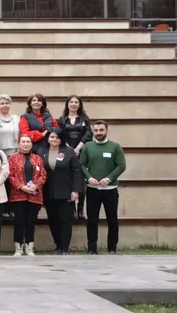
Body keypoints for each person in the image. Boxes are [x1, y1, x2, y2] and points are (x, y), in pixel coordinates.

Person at [81, 120, 126, 255]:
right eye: (96, 130)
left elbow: (121, 165)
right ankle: (91, 248)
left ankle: (112, 248)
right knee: (92, 219)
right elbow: (81, 165)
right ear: (93, 131)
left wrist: (109, 178)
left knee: (112, 219)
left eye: (101, 130)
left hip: (110, 190)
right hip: (92, 189)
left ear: (106, 130)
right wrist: (88, 177)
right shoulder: (88, 147)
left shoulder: (115, 147)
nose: (98, 133)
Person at [40, 129, 82, 255]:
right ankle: (58, 245)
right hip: (48, 192)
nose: (54, 139)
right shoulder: (42, 151)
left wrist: (75, 190)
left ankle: (65, 247)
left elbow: (76, 172)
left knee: (65, 220)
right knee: (53, 220)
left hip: (66, 192)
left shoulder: (69, 152)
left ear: (61, 139)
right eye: (52, 137)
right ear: (48, 138)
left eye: (57, 137)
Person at [7, 135, 46, 256]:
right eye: (23, 142)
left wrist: (35, 186)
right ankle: (18, 248)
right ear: (19, 144)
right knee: (19, 222)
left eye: (28, 142)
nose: (25, 144)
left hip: (34, 195)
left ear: (31, 144)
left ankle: (30, 247)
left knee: (31, 222)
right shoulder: (13, 158)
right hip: (18, 195)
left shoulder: (37, 159)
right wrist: (21, 187)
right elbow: (10, 175)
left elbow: (43, 175)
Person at [58, 95, 92, 220]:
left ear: (79, 105)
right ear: (67, 104)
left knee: (82, 181)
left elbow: (89, 134)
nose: (73, 104)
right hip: (67, 152)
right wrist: (69, 149)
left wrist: (78, 148)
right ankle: (71, 208)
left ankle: (81, 209)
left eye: (76, 102)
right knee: (69, 179)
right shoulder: (62, 119)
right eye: (71, 102)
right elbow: (60, 135)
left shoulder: (84, 119)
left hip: (81, 152)